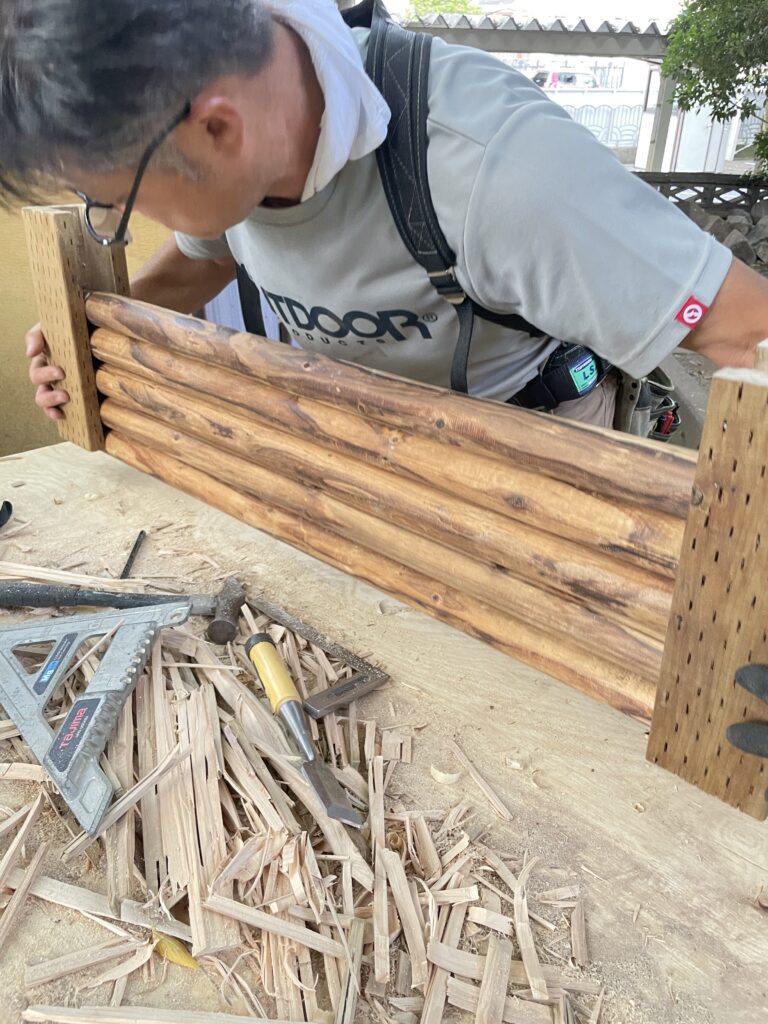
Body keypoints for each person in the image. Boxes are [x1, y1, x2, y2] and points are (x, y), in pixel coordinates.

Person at [6, 0, 768, 431]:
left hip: (540, 456)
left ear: (217, 129)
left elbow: (750, 331)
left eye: (116, 200)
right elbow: (206, 257)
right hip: (374, 454)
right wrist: (94, 336)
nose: (114, 218)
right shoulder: (232, 156)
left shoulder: (499, 170)